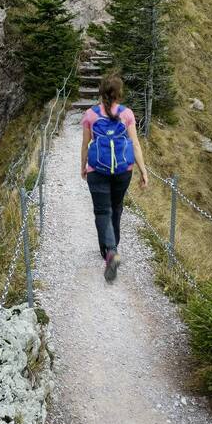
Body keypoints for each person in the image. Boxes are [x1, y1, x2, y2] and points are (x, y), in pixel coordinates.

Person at [81, 71, 149, 281]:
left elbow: (85, 145)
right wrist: (143, 171)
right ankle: (112, 249)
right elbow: (135, 144)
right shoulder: (127, 114)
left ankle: (109, 251)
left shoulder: (90, 115)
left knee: (102, 211)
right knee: (116, 208)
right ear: (119, 94)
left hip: (97, 170)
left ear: (101, 93)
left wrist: (83, 166)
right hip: (123, 171)